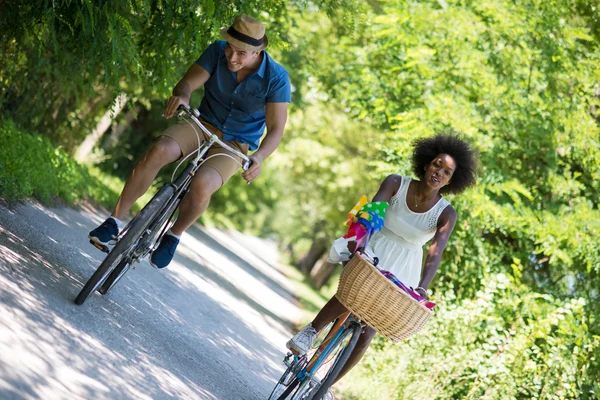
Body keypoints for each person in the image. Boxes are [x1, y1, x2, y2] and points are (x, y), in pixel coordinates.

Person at [88, 15, 291, 268]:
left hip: (235, 144)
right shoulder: (216, 51)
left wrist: (258, 157)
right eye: (230, 48)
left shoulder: (277, 78)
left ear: (258, 52)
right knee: (160, 150)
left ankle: (174, 234)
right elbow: (187, 83)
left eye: (241, 53)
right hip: (201, 123)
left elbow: (275, 130)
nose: (232, 57)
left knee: (203, 184)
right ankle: (114, 221)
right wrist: (182, 97)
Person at [286, 132, 478, 390]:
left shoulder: (446, 213)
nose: (439, 173)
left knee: (368, 331)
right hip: (374, 243)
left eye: (447, 172)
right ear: (425, 164)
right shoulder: (396, 183)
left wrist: (423, 286)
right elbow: (370, 214)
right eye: (436, 165)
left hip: (406, 263)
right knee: (352, 294)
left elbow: (436, 251)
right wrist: (361, 245)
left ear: (451, 181)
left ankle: (326, 386)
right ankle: (311, 330)